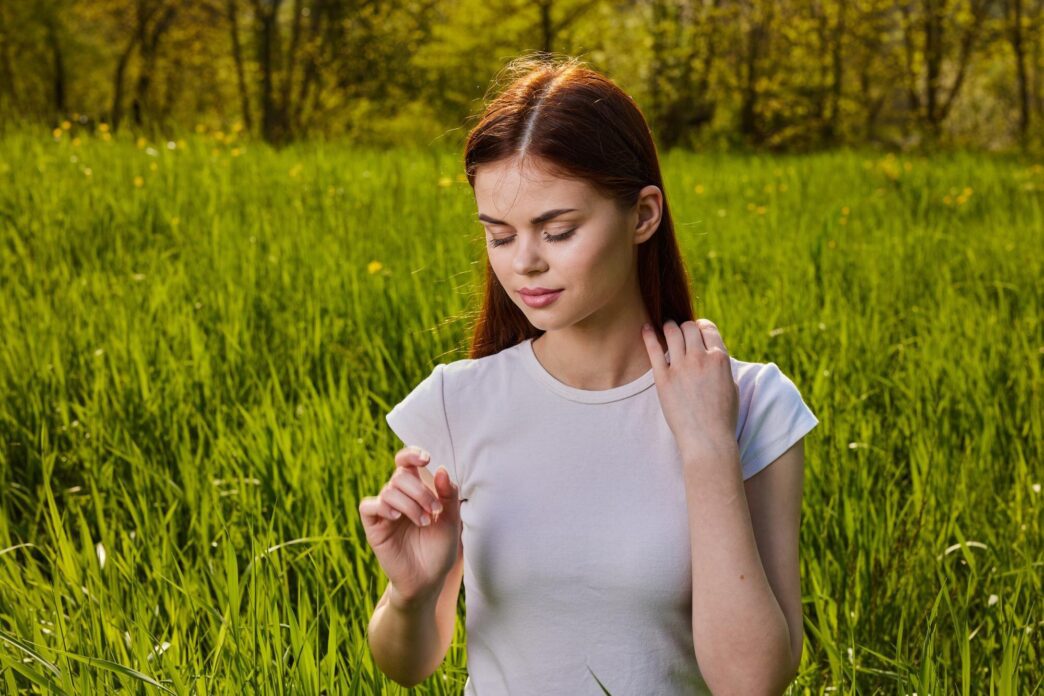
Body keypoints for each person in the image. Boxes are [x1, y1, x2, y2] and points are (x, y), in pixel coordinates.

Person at [359, 53, 819, 695]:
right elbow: (407, 666)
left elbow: (753, 682)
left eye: (559, 230)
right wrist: (412, 594)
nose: (524, 264)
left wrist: (707, 448)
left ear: (642, 215)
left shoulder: (752, 403)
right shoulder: (457, 402)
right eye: (498, 235)